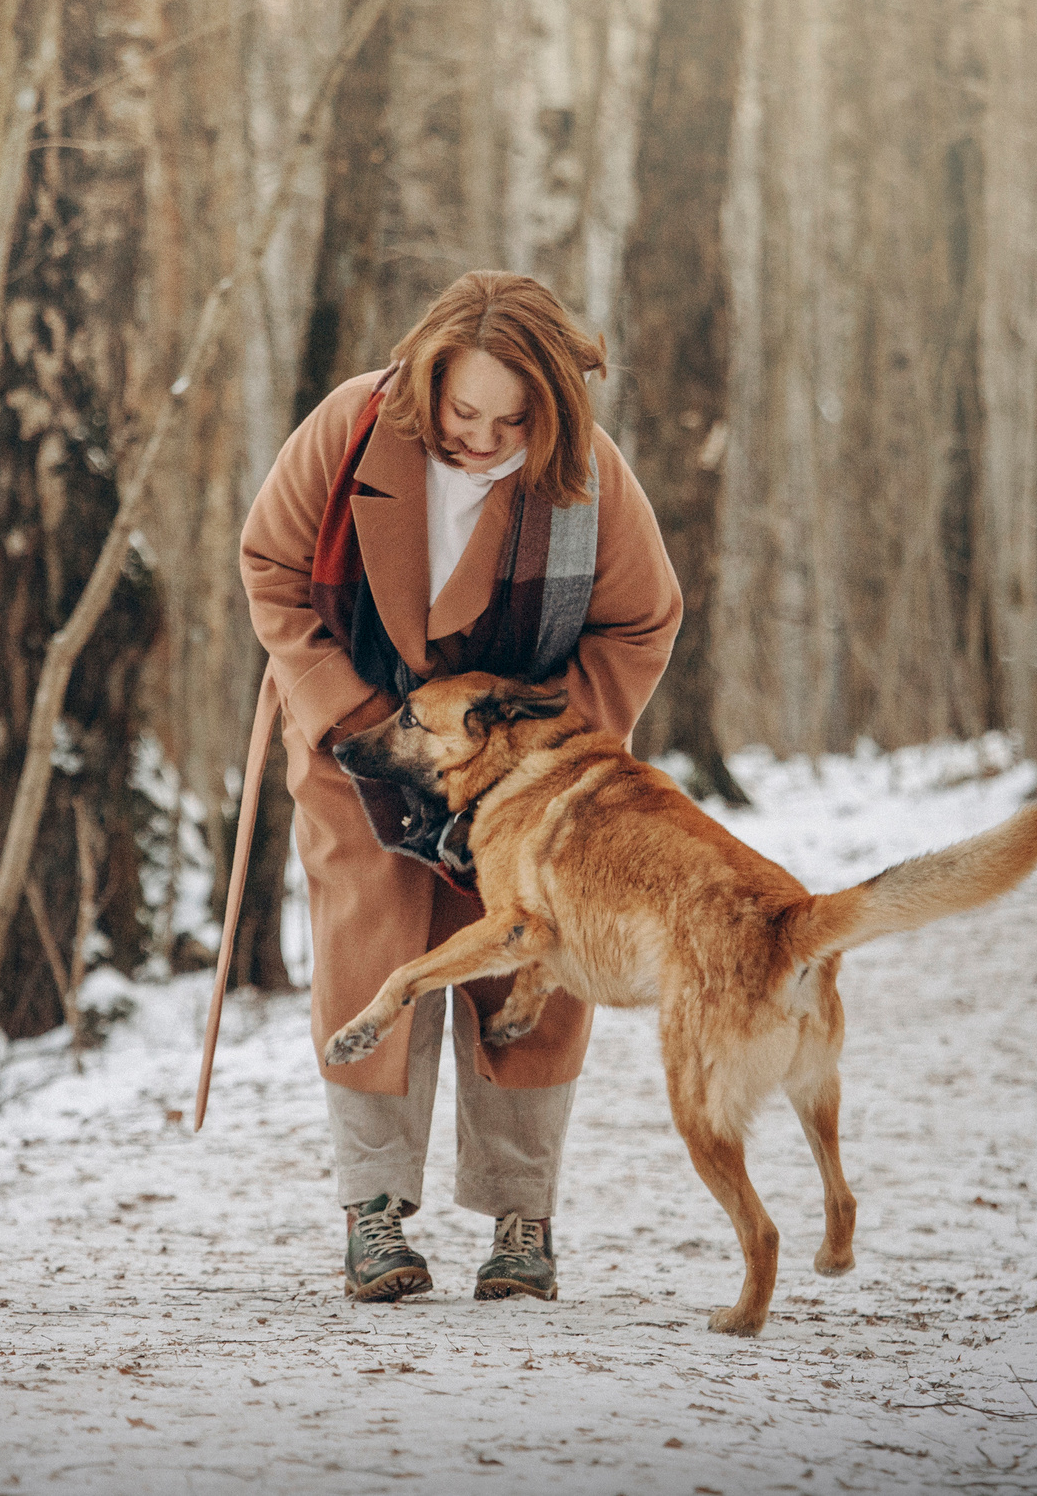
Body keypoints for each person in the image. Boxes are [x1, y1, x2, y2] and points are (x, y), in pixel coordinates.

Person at [240, 271, 682, 1304]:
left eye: (511, 418)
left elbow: (640, 622)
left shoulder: (588, 480)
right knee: (371, 953)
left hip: (517, 774)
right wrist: (347, 715)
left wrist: (545, 752)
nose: (481, 438)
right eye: (463, 411)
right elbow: (270, 562)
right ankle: (374, 1215)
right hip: (363, 742)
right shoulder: (349, 428)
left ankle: (521, 1218)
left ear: (552, 410)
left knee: (528, 960)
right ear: (427, 382)